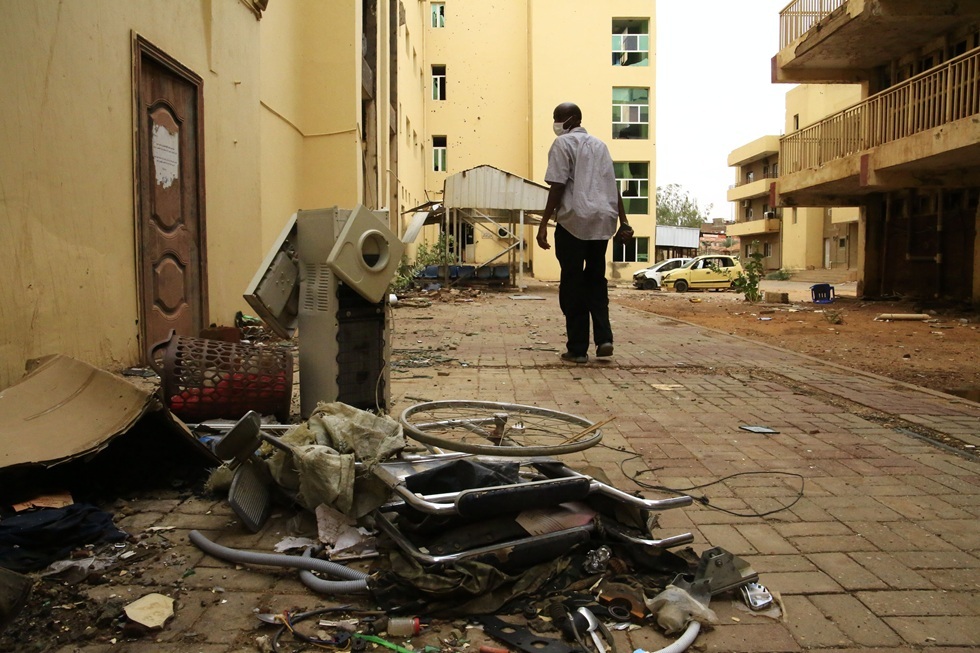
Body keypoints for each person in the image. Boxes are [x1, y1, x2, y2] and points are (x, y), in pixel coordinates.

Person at [537, 102, 633, 364]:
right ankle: (604, 338)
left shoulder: (562, 145)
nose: (555, 122)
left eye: (558, 117)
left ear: (573, 119)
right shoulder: (600, 146)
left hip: (574, 222)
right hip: (602, 222)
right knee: (595, 279)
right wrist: (623, 221)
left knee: (572, 282)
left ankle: (578, 349)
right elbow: (612, 187)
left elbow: (556, 186)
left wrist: (544, 222)